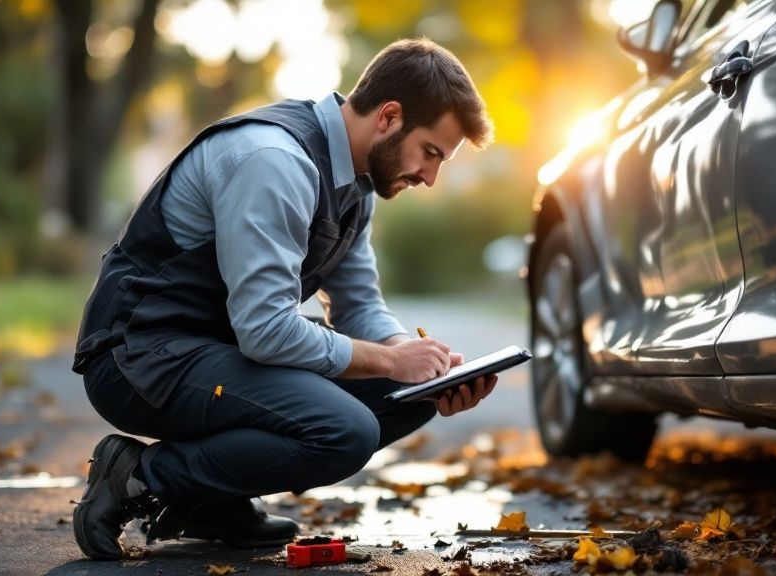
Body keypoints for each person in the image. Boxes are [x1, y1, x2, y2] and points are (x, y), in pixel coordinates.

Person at [71, 38, 496, 560]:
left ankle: (210, 500)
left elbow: (358, 306)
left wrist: (421, 365)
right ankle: (140, 477)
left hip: (217, 357)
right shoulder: (274, 161)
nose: (430, 177)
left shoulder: (356, 184)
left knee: (407, 393)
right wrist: (390, 358)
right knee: (344, 430)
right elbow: (266, 329)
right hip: (140, 355)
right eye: (431, 153)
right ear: (389, 117)